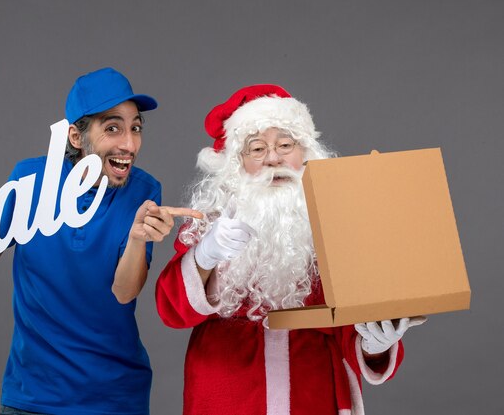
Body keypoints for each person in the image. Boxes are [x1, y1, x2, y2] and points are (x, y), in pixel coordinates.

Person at [0, 67, 201, 415]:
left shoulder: (144, 190)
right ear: (76, 138)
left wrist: (138, 238)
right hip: (33, 394)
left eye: (135, 127)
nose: (129, 143)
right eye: (112, 128)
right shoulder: (30, 179)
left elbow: (124, 291)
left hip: (115, 396)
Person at [155, 84, 425, 415]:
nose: (273, 158)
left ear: (305, 154)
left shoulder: (337, 225)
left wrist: (374, 344)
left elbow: (349, 327)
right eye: (256, 149)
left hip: (312, 394)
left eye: (285, 144)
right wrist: (205, 255)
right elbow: (172, 312)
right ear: (236, 163)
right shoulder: (207, 223)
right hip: (226, 394)